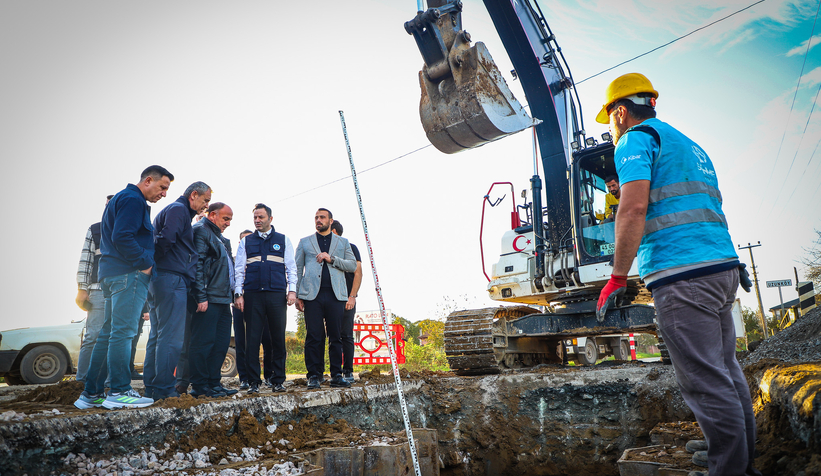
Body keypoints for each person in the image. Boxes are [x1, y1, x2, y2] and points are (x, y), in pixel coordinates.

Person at [594, 73, 760, 476]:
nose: (612, 129)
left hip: (681, 274)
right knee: (725, 370)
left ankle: (729, 470)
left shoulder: (634, 139)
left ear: (620, 111)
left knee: (704, 379)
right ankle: (739, 460)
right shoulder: (687, 144)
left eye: (610, 120)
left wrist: (617, 277)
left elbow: (632, 210)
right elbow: (687, 203)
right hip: (720, 267)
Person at [74, 165, 173, 410]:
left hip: (112, 275)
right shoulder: (133, 200)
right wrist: (145, 264)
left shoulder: (121, 198)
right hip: (128, 275)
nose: (164, 194)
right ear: (148, 180)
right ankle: (119, 390)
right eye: (162, 187)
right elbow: (123, 237)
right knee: (123, 333)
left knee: (108, 334)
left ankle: (91, 393)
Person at [144, 181, 212, 401]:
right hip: (171, 278)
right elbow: (165, 240)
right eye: (205, 200)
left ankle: (153, 388)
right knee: (171, 338)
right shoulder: (179, 210)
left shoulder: (176, 210)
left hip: (162, 278)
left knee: (158, 335)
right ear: (194, 195)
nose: (205, 206)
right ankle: (164, 388)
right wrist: (159, 264)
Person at [234, 204, 297, 394]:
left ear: (270, 218)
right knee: (252, 340)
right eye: (255, 217)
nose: (257, 220)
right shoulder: (246, 242)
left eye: (261, 217)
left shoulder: (283, 240)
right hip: (253, 295)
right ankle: (254, 382)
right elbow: (239, 270)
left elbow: (291, 268)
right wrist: (239, 294)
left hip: (276, 295)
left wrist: (292, 291)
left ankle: (277, 380)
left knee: (278, 338)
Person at [295, 208, 357, 389]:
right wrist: (298, 294)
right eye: (316, 217)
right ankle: (314, 375)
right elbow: (298, 269)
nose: (318, 220)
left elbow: (352, 265)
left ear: (331, 221)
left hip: (336, 295)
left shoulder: (343, 242)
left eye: (322, 217)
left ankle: (337, 375)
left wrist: (331, 259)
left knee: (336, 337)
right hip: (312, 296)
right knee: (313, 336)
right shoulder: (305, 242)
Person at [189, 202, 238, 398]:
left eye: (230, 220)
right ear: (212, 215)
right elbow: (197, 265)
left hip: (224, 299)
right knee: (203, 343)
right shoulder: (201, 231)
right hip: (208, 298)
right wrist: (200, 296)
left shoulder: (221, 239)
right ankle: (200, 386)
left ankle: (214, 384)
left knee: (220, 344)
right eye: (225, 219)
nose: (228, 223)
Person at [74, 194, 112, 383]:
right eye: (107, 205)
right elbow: (86, 260)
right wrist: (82, 288)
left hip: (121, 292)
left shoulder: (129, 229)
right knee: (93, 336)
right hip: (97, 291)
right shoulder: (95, 230)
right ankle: (81, 381)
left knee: (116, 338)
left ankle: (105, 382)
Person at [232, 229, 276, 390]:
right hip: (239, 305)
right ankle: (245, 377)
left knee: (268, 340)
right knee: (242, 342)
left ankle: (269, 375)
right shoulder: (235, 260)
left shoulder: (261, 261)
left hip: (260, 303)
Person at [329, 220, 363, 384]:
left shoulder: (350, 247)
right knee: (329, 336)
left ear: (334, 231)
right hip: (328, 299)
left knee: (346, 335)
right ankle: (329, 372)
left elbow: (358, 273)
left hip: (346, 298)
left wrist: (352, 296)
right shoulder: (324, 251)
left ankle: (348, 370)